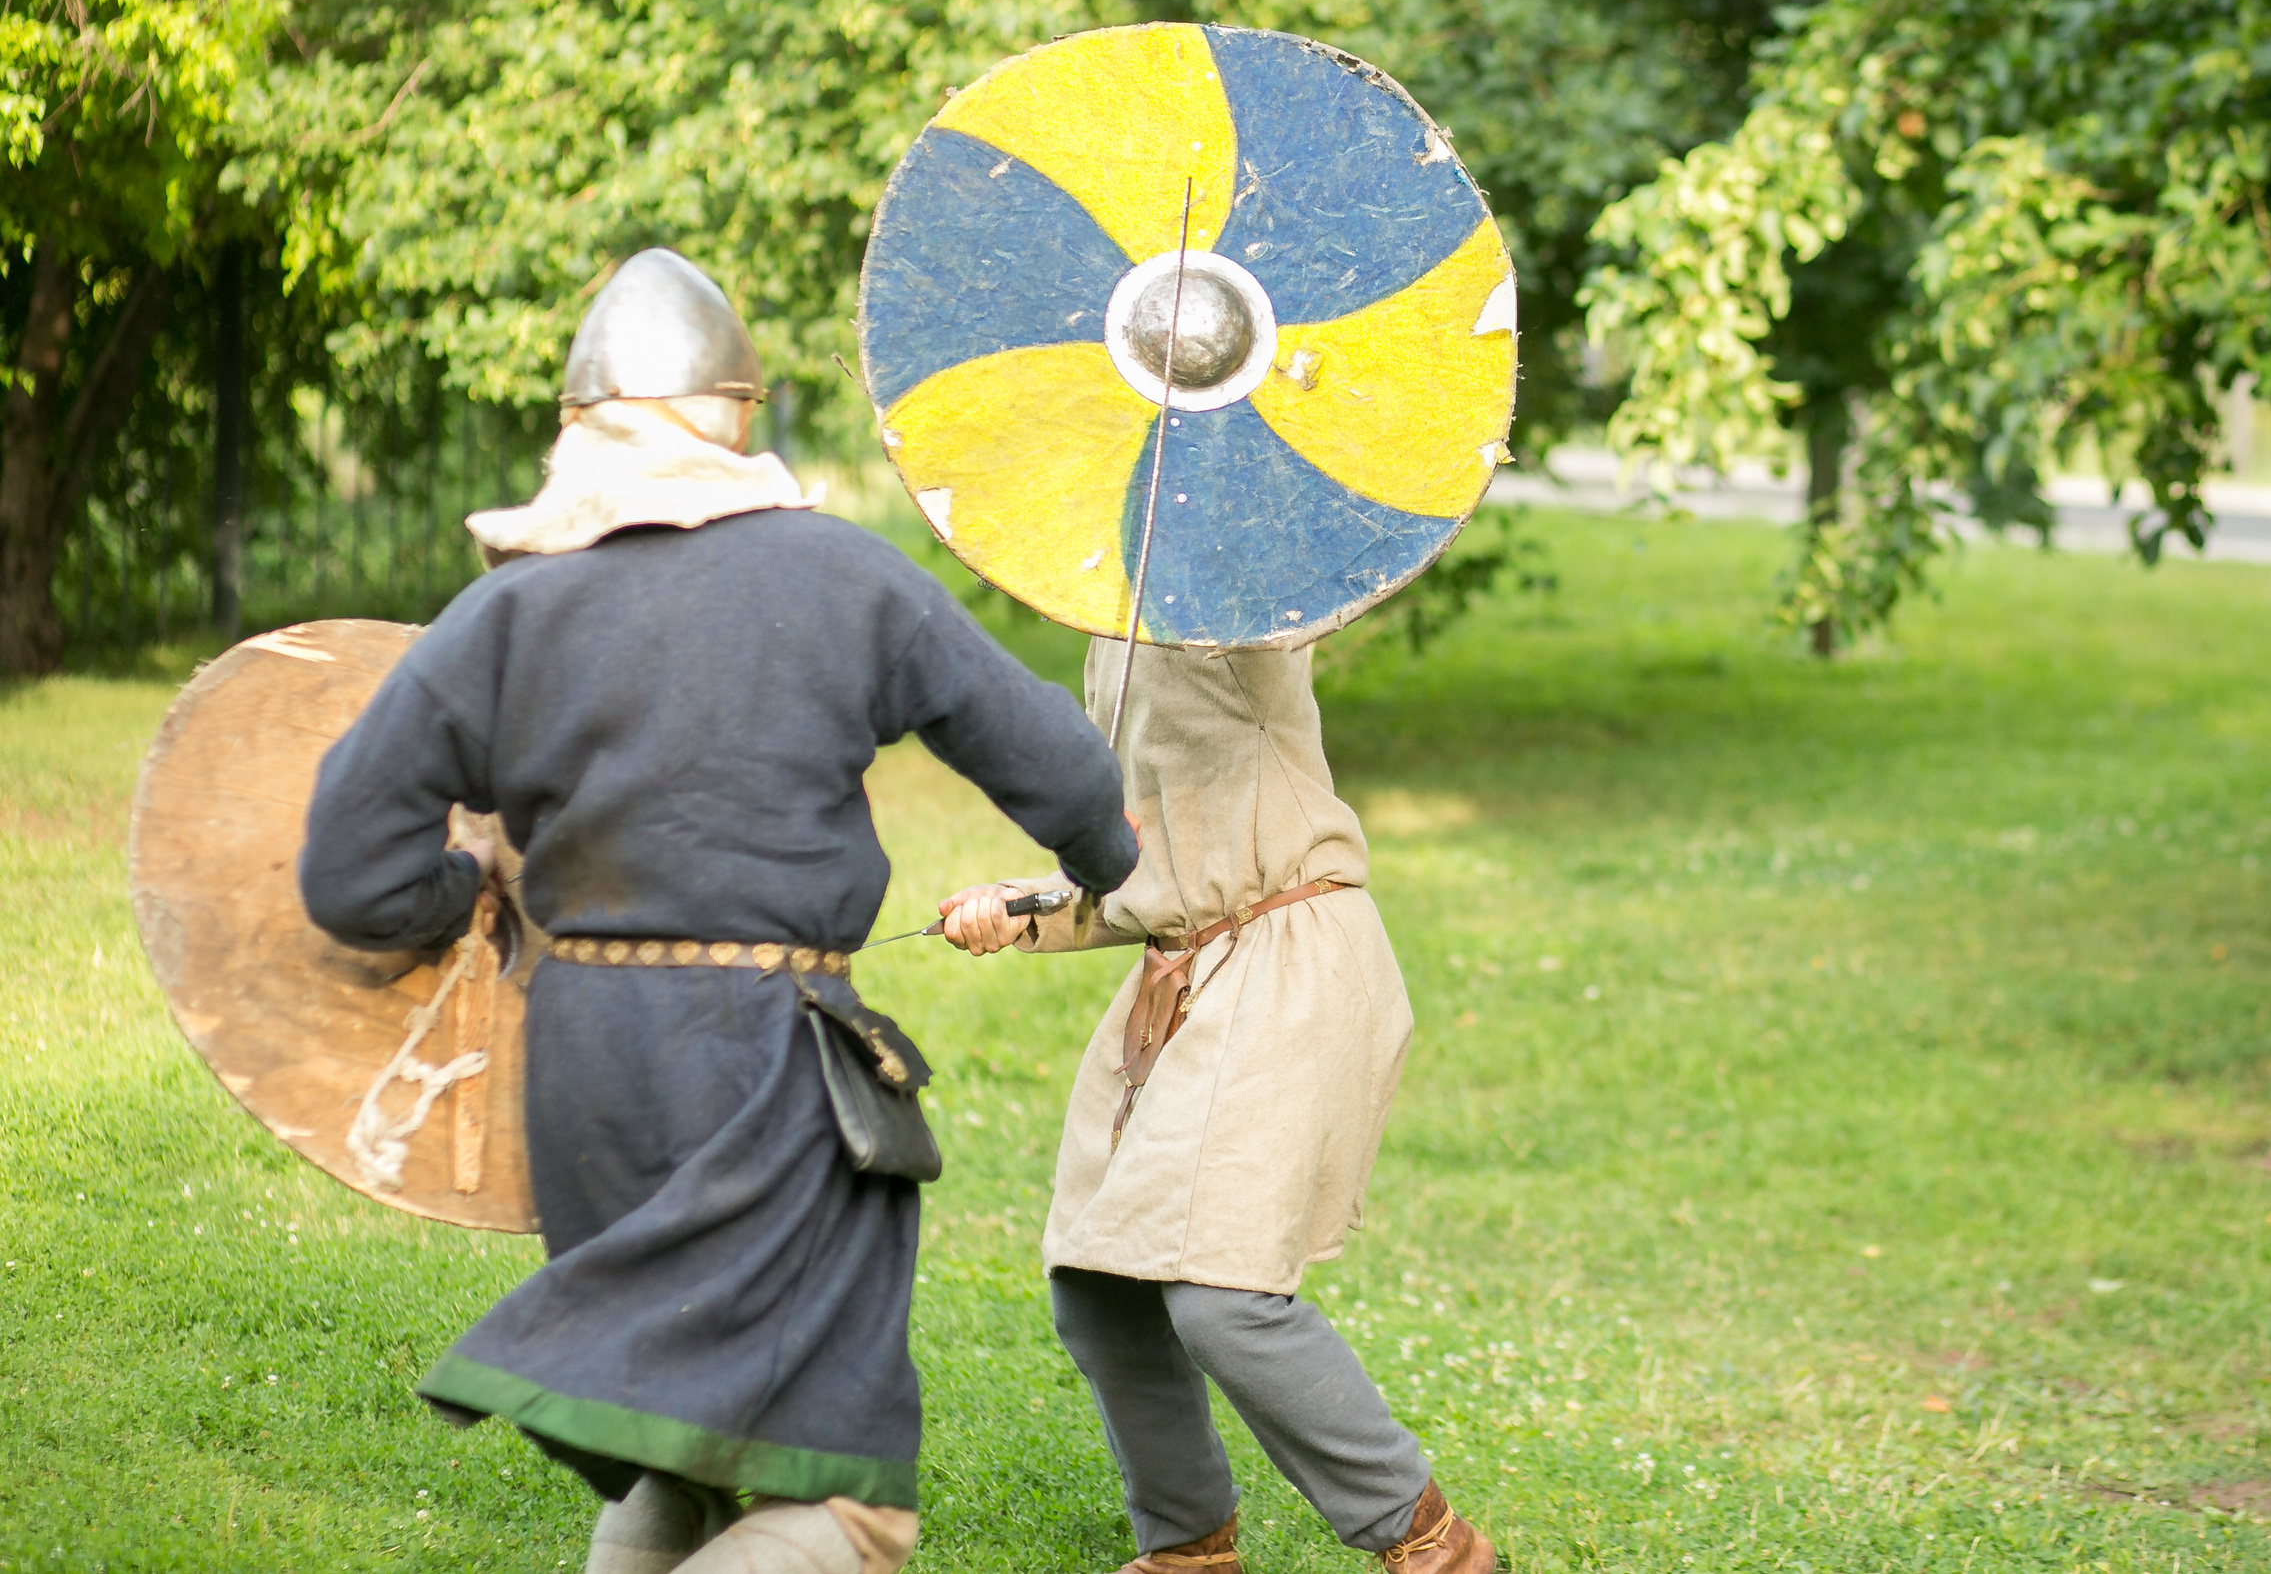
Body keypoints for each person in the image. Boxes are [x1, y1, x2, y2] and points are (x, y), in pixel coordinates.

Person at [300, 248, 1139, 1574]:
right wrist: (1103, 860)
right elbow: (1073, 775)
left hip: (580, 1075)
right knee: (842, 1498)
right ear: (738, 418)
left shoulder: (504, 610)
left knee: (685, 1444)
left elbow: (350, 877)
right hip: (768, 1065)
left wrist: (465, 886)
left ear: (579, 424)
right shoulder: (845, 580)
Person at [936, 639, 1494, 1574]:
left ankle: (1431, 1541)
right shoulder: (1113, 627)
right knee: (1097, 1283)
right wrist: (1020, 904)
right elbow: (1136, 865)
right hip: (1188, 974)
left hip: (1290, 954)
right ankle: (1190, 1548)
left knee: (1223, 1298)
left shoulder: (1244, 612)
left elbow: (1295, 598)